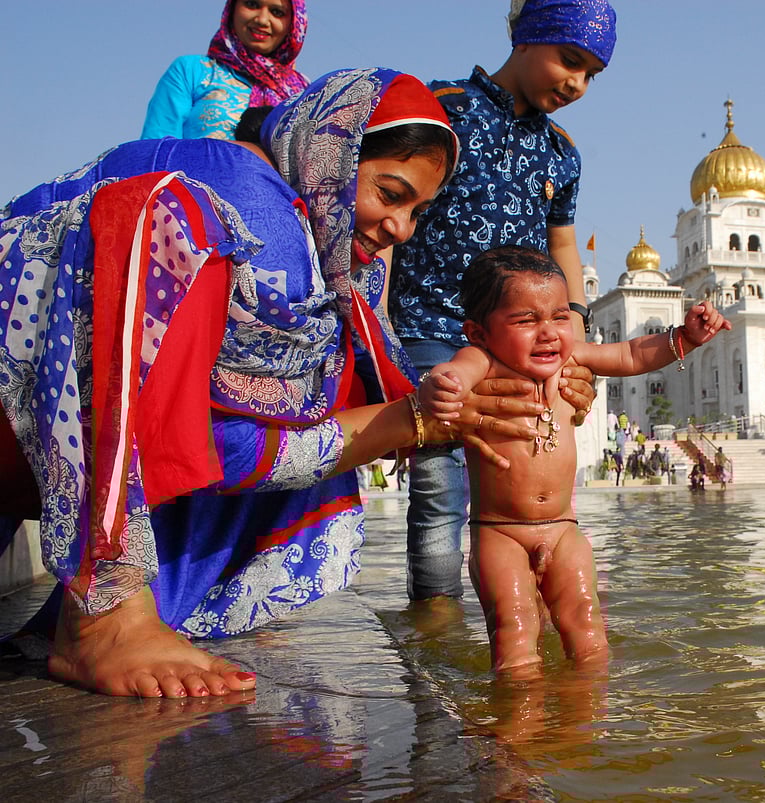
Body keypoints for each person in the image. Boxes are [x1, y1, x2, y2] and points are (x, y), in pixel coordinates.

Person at [0, 68, 551, 698]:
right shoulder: (257, 214)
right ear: (329, 157)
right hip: (22, 415)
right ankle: (105, 614)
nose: (402, 227)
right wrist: (408, 423)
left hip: (21, 436)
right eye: (390, 194)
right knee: (166, 221)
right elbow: (217, 447)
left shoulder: (297, 230)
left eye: (416, 211)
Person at [388, 0, 616, 602]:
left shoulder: (562, 152)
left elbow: (562, 242)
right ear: (526, 37)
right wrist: (380, 331)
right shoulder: (442, 110)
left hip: (517, 335)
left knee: (525, 469)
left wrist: (574, 332)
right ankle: (435, 622)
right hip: (431, 324)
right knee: (439, 486)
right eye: (569, 60)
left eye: (592, 74)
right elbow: (394, 210)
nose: (577, 84)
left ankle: (526, 614)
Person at [416, 246, 729, 671]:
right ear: (479, 333)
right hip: (500, 534)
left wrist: (685, 338)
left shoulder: (572, 359)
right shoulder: (483, 362)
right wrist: (441, 386)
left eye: (560, 316)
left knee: (587, 627)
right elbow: (452, 374)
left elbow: (633, 354)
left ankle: (584, 726)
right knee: (515, 631)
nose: (548, 332)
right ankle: (517, 730)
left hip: (565, 531)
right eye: (526, 320)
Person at [142, 0, 308, 141]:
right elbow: (154, 151)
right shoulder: (192, 71)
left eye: (277, 12)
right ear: (232, 9)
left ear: (294, 23)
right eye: (251, 4)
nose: (262, 20)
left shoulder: (304, 93)